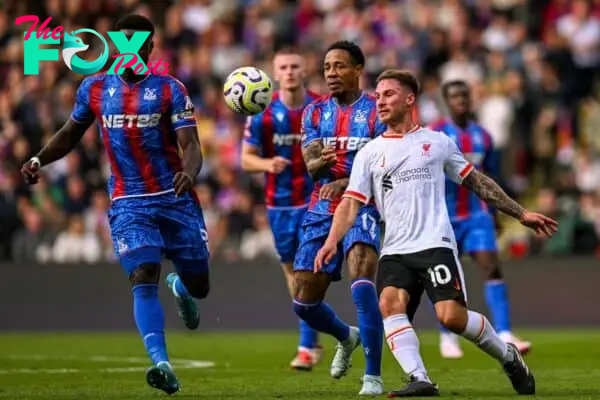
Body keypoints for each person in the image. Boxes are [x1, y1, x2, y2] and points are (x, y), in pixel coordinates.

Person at [315, 69, 557, 397]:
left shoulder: (437, 142)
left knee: (452, 317)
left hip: (435, 244)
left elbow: (478, 181)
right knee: (389, 303)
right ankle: (421, 378)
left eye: (389, 94)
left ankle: (507, 355)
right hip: (395, 249)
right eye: (378, 95)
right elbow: (351, 203)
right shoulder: (370, 153)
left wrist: (521, 212)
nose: (380, 101)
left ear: (410, 99)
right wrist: (332, 240)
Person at [21, 15, 208, 395]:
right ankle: (163, 363)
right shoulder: (94, 88)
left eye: (137, 41)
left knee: (200, 285)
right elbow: (71, 133)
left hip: (174, 196)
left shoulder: (171, 89)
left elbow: (190, 144)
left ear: (150, 47)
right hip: (128, 201)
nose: (129, 48)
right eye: (122, 41)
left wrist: (189, 173)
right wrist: (39, 159)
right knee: (143, 274)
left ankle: (183, 288)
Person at [292, 40, 386, 396]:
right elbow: (311, 163)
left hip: (364, 204)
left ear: (358, 69)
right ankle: (346, 337)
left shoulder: (377, 111)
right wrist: (320, 164)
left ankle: (373, 377)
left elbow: (384, 165)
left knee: (361, 277)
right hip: (322, 206)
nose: (331, 73)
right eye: (328, 67)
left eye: (340, 66)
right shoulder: (314, 113)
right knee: (304, 300)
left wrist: (346, 180)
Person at [430, 80, 531, 359]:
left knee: (491, 266)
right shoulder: (435, 133)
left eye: (464, 95)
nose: (461, 100)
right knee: (444, 278)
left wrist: (495, 213)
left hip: (477, 215)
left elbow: (491, 177)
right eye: (455, 96)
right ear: (446, 101)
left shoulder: (483, 136)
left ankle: (505, 332)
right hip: (445, 216)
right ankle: (447, 336)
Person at [241, 47, 322, 370]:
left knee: (306, 270)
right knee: (293, 272)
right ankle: (312, 334)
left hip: (315, 199)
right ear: (274, 74)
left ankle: (306, 344)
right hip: (279, 205)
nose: (289, 72)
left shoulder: (318, 108)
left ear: (304, 71)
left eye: (295, 66)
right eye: (283, 67)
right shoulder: (261, 112)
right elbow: (245, 159)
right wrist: (267, 163)